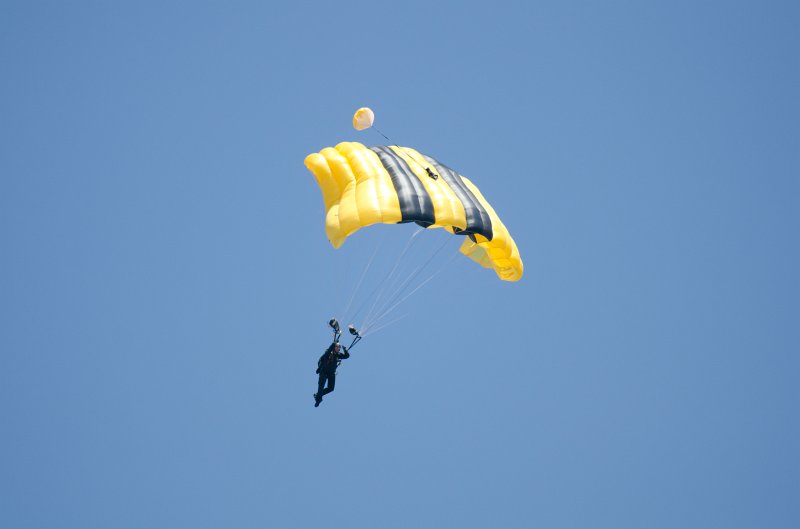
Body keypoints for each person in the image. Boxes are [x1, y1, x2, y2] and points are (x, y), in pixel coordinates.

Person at [314, 341, 350, 407]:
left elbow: (347, 356)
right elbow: (330, 348)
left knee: (331, 388)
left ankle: (318, 394)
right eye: (338, 347)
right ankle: (318, 400)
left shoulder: (338, 355)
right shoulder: (328, 353)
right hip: (324, 371)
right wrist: (334, 342)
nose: (339, 349)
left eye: (339, 348)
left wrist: (345, 350)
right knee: (321, 385)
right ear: (334, 347)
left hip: (331, 373)